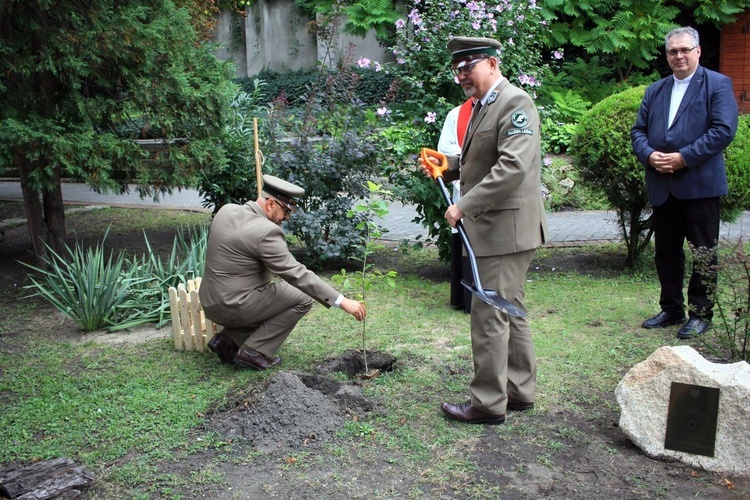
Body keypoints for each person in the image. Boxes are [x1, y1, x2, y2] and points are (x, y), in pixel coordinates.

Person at [419, 36, 549, 424]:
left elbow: (511, 168)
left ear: (492, 63)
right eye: (457, 69)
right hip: (500, 228)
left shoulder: (514, 103)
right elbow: (481, 159)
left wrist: (463, 206)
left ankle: (488, 404)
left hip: (502, 230)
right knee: (511, 310)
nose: (462, 76)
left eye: (468, 67)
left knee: (490, 314)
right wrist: (447, 164)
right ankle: (520, 391)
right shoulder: (484, 104)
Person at [631, 26, 738, 340]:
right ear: (667, 55)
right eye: (672, 51)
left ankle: (701, 313)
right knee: (666, 252)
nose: (678, 56)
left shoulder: (717, 84)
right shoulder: (656, 90)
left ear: (698, 51)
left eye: (684, 50)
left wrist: (683, 157)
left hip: (699, 184)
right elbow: (638, 131)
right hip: (662, 185)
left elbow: (723, 130)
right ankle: (671, 308)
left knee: (703, 252)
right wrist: (650, 155)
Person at [198, 174, 367, 369]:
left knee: (271, 298)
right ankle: (254, 352)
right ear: (270, 204)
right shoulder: (266, 231)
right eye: (286, 210)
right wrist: (342, 301)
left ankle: (226, 341)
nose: (287, 217)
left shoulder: (226, 210)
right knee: (301, 297)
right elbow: (296, 273)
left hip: (210, 301)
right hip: (233, 306)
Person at [438, 98, 474, 313]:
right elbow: (445, 149)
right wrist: (465, 157)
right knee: (463, 241)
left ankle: (477, 300)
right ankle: (464, 299)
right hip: (463, 188)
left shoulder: (501, 110)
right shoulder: (457, 113)